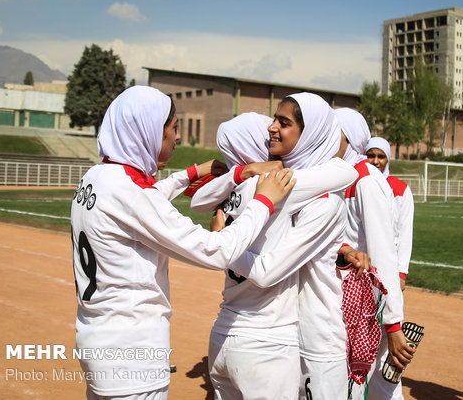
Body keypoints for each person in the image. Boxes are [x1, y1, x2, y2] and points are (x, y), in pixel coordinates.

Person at [70, 85, 295, 400]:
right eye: (173, 128)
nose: (177, 137)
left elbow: (142, 203)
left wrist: (191, 173)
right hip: (132, 353)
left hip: (97, 339)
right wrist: (263, 201)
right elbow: (215, 251)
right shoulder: (133, 195)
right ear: (148, 131)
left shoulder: (97, 177)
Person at [189, 94, 359, 399]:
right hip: (273, 340)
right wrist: (223, 245)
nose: (271, 128)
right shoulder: (286, 188)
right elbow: (348, 171)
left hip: (233, 330)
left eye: (283, 122)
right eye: (272, 121)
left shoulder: (244, 187)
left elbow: (198, 201)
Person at [334, 108, 414, 400]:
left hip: (366, 297)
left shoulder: (367, 180)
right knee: (379, 378)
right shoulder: (347, 175)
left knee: (360, 379)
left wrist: (393, 322)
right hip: (351, 293)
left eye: (335, 131)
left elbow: (383, 250)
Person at [365, 136, 414, 291]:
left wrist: (401, 273)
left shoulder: (401, 190)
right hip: (361, 262)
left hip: (388, 264)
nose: (375, 161)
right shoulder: (358, 184)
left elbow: (405, 233)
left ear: (388, 159)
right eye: (371, 155)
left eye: (381, 156)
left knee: (385, 312)